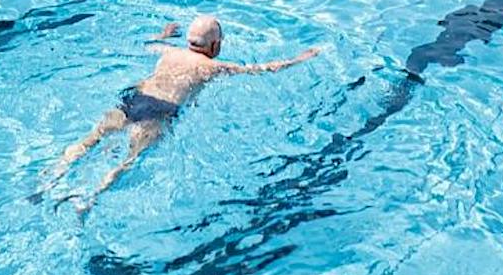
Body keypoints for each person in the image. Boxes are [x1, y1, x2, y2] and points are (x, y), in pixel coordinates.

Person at [42, 16, 319, 207]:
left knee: (90, 140)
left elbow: (143, 44)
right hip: (160, 111)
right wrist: (298, 59)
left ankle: (53, 175)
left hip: (135, 99)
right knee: (128, 160)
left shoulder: (168, 52)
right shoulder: (210, 66)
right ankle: (90, 197)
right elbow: (259, 69)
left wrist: (164, 34)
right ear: (215, 46)